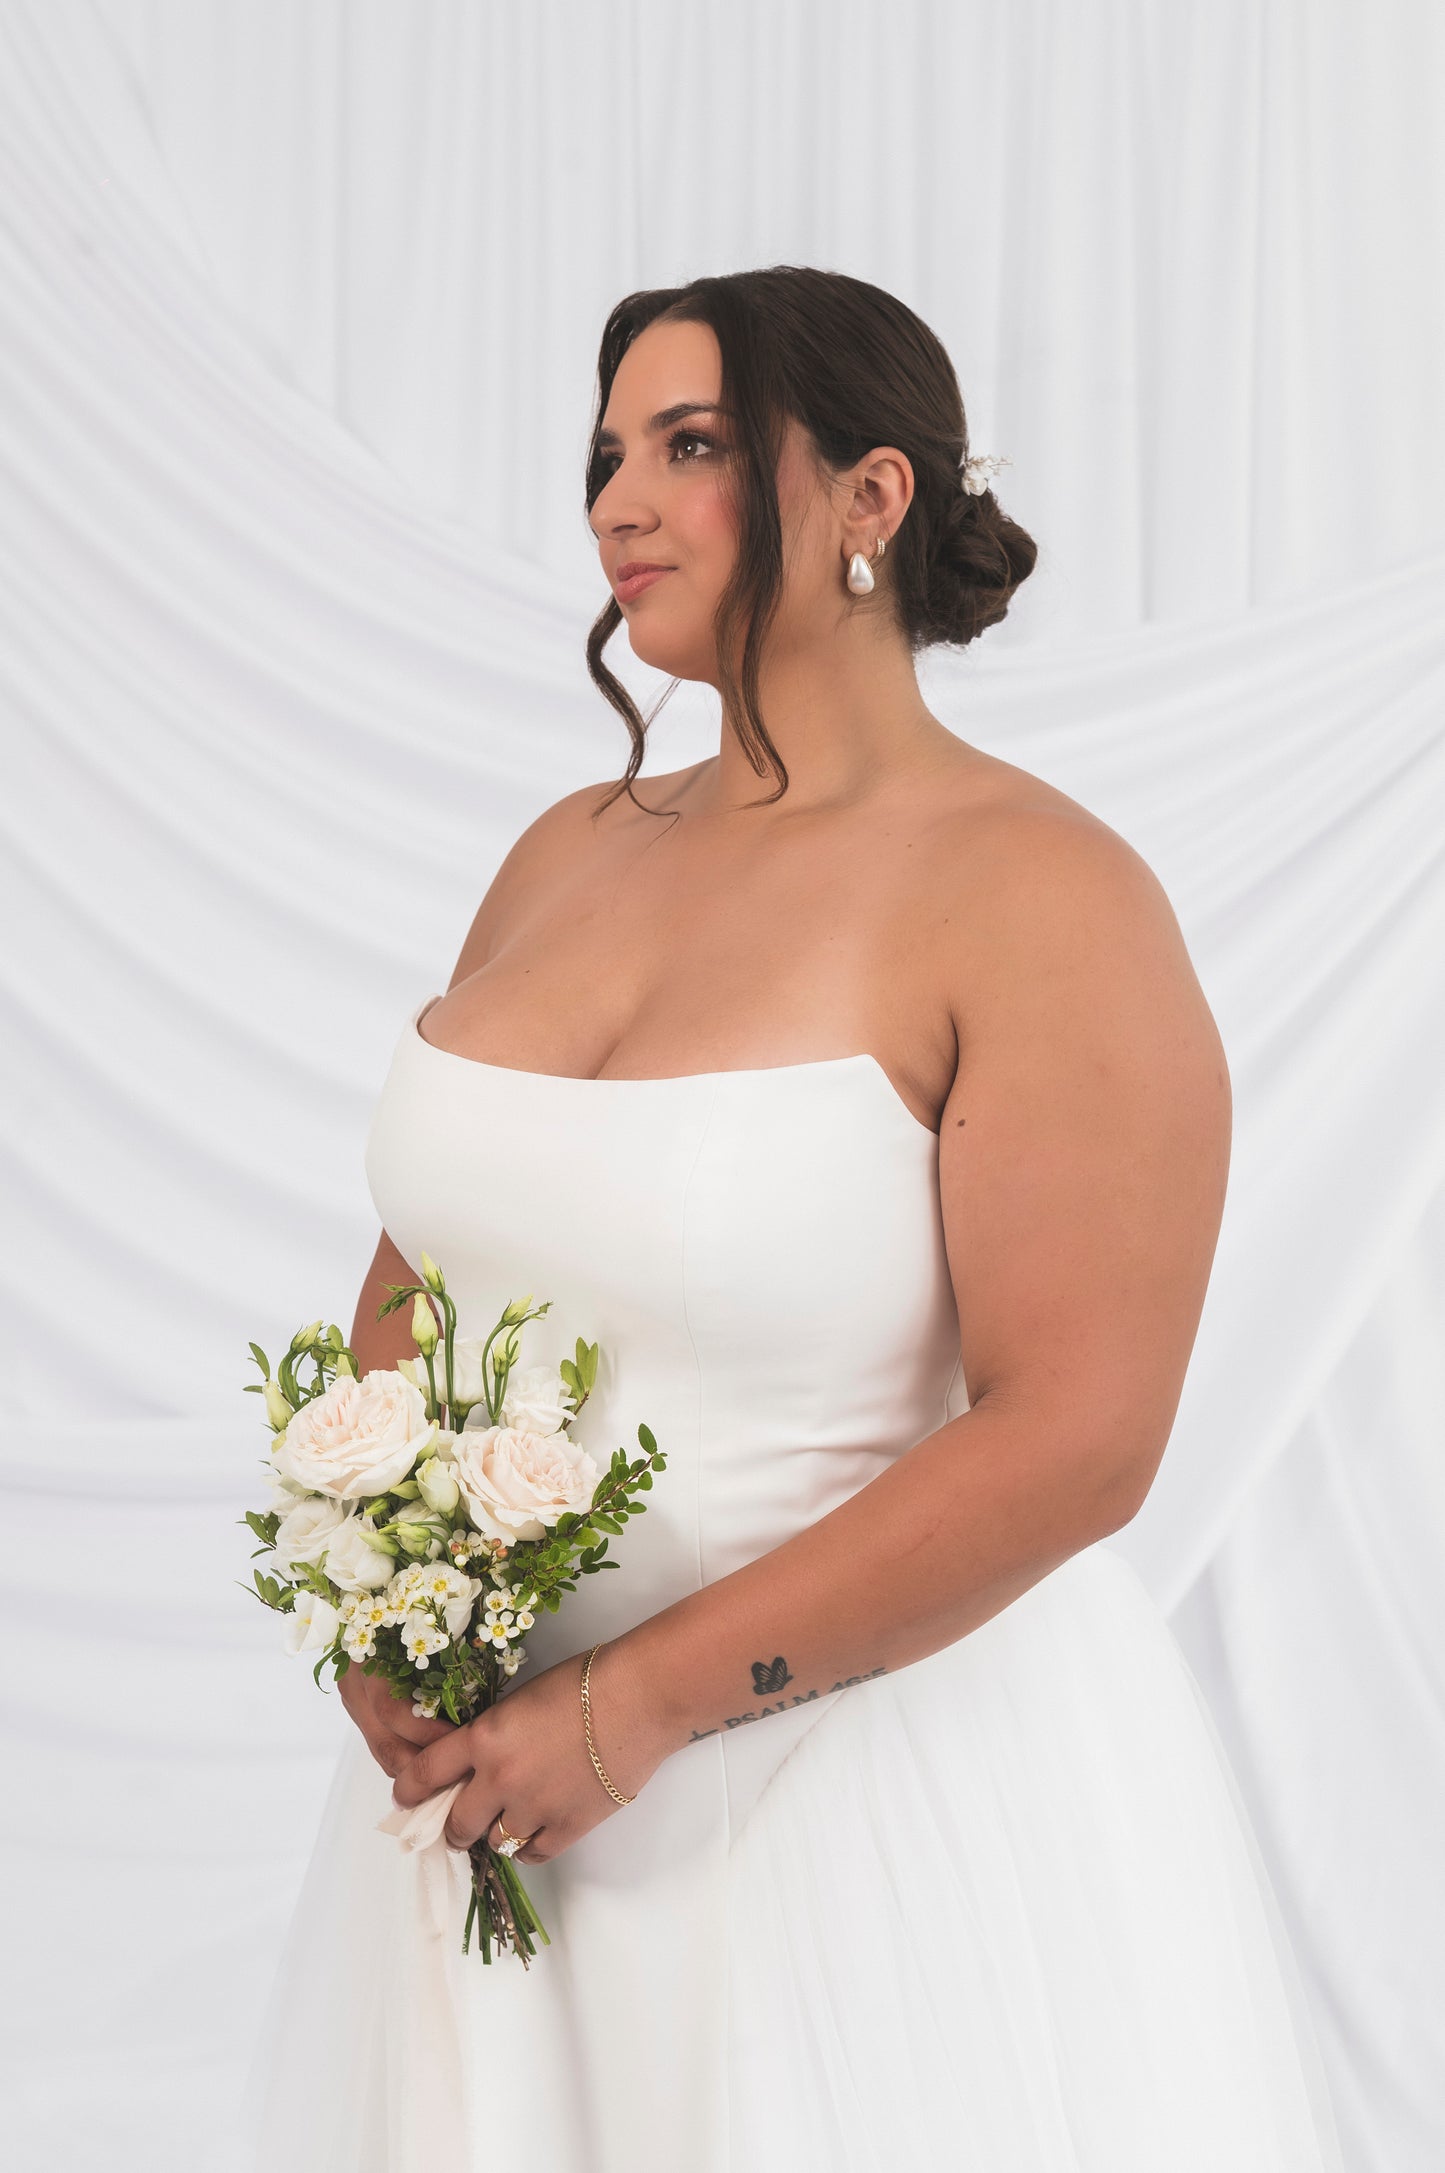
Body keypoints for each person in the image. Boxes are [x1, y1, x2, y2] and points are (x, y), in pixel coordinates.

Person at [242, 268, 1345, 2171]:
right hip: (496, 1798)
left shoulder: (1044, 895)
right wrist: (377, 1628)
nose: (617, 501)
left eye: (690, 447)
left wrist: (633, 1707)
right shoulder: (561, 851)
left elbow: (1081, 1434)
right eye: (606, 454)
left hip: (849, 1811)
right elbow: (425, 1275)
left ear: (870, 497)